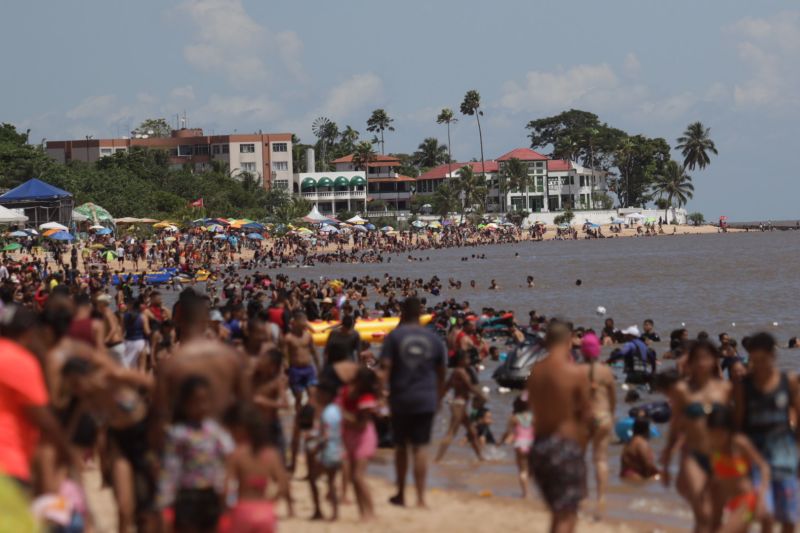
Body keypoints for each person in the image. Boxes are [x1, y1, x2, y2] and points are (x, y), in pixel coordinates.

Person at [381, 296, 446, 508]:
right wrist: (438, 398)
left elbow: (385, 369)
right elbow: (441, 373)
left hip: (401, 397)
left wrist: (382, 395)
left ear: (402, 312)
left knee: (401, 448)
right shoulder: (434, 339)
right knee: (420, 449)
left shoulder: (394, 337)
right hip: (426, 398)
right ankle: (420, 498)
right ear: (420, 313)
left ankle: (400, 493)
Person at [527, 321, 592, 533]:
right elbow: (586, 417)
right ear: (569, 339)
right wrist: (581, 451)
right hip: (564, 446)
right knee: (568, 515)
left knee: (558, 512)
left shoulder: (535, 372)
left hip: (539, 447)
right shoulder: (576, 373)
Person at [661, 340, 731, 533]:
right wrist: (667, 460)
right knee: (703, 514)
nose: (701, 363)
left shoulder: (725, 390)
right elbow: (675, 426)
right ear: (689, 363)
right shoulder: (682, 390)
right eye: (697, 359)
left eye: (706, 358)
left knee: (717, 518)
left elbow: (734, 425)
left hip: (720, 456)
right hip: (693, 456)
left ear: (714, 361)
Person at [735, 332, 800, 533]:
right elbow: (737, 427)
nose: (759, 365)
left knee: (789, 517)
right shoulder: (743, 387)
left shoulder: (787, 381)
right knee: (765, 513)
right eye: (755, 360)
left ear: (773, 355)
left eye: (763, 359)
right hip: (755, 457)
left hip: (785, 456)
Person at [158, 375, 234, 533]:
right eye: (196, 402)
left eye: (205, 401)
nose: (202, 406)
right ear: (185, 404)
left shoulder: (215, 431)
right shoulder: (178, 433)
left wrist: (229, 494)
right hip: (187, 496)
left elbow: (229, 459)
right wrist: (165, 499)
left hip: (211, 494)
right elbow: (171, 468)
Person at [226, 406, 290, 533]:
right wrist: (271, 502)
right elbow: (284, 485)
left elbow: (227, 487)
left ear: (241, 430)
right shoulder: (271, 454)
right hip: (265, 511)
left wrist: (225, 508)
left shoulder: (237, 455)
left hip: (243, 510)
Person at [707, 405, 770, 533]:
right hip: (727, 502)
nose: (717, 437)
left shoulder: (739, 443)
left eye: (721, 433)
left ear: (729, 430)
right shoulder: (711, 445)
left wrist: (762, 495)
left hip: (747, 501)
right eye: (713, 432)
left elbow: (764, 467)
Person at [582, 331, 616, 518]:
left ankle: (584, 495)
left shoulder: (578, 371)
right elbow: (612, 397)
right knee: (601, 459)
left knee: (581, 457)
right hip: (604, 416)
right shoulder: (606, 371)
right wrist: (611, 413)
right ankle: (601, 498)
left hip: (585, 418)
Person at [339, 367, 378, 520]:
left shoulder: (367, 397)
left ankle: (371, 511)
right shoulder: (346, 391)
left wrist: (342, 413)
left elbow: (360, 424)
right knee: (355, 479)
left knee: (357, 477)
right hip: (349, 436)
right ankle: (363, 512)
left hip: (364, 438)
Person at [435, 350, 486, 462]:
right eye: (467, 358)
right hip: (459, 405)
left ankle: (481, 458)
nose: (469, 360)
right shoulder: (461, 372)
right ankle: (437, 460)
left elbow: (446, 387)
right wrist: (482, 396)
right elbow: (470, 387)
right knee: (451, 432)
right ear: (461, 360)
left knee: (472, 432)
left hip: (460, 405)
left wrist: (438, 400)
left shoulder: (455, 372)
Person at [501, 396, 533, 498]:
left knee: (522, 470)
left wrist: (502, 442)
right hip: (531, 444)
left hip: (520, 444)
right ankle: (528, 488)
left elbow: (508, 433)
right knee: (530, 470)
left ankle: (526, 493)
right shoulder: (535, 417)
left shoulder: (514, 418)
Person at [620, 417, 660, 481]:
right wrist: (658, 473)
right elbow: (648, 463)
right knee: (659, 478)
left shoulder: (629, 442)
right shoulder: (641, 443)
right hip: (635, 476)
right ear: (646, 430)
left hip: (625, 474)